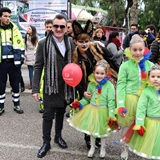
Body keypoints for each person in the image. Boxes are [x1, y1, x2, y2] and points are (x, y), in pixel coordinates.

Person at [71, 19, 119, 149]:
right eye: (81, 41)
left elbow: (111, 59)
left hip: (102, 82)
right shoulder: (74, 55)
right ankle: (88, 137)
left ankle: (98, 137)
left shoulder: (97, 48)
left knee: (101, 112)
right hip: (86, 86)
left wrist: (118, 74)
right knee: (88, 114)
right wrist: (82, 91)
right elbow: (74, 77)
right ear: (75, 41)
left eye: (86, 41)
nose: (84, 44)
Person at [32, 14, 75, 158]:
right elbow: (38, 67)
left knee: (61, 113)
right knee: (48, 115)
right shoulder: (43, 43)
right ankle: (46, 143)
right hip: (51, 86)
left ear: (66, 28)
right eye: (56, 26)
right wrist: (35, 89)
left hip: (65, 86)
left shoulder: (71, 42)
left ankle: (58, 136)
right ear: (52, 27)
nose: (58, 29)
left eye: (62, 26)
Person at [68, 60, 116, 158]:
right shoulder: (91, 84)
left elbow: (111, 102)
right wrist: (80, 103)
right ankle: (92, 147)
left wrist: (111, 115)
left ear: (106, 73)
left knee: (103, 132)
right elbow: (87, 98)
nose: (99, 75)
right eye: (97, 73)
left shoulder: (109, 86)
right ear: (94, 72)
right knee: (92, 131)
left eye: (102, 73)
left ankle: (103, 147)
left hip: (103, 112)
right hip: (92, 110)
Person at [116, 35, 153, 160]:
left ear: (144, 49)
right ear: (130, 50)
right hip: (129, 99)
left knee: (142, 125)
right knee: (127, 125)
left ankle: (140, 148)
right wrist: (120, 104)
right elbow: (120, 85)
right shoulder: (125, 66)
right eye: (135, 50)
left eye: (140, 49)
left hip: (145, 101)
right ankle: (124, 149)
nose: (138, 53)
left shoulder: (150, 65)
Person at [123, 64, 160, 159]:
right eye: (153, 76)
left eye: (158, 77)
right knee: (147, 147)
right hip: (150, 123)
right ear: (148, 77)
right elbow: (141, 109)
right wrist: (139, 123)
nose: (155, 79)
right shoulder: (146, 92)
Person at [0, 7, 25, 115]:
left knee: (15, 85)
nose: (8, 18)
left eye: (9, 16)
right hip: (1, 64)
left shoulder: (14, 29)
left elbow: (20, 45)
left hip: (14, 63)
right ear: (0, 17)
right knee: (1, 86)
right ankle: (1, 107)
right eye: (5, 16)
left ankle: (17, 105)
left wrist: (21, 59)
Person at [38, 19, 54, 113]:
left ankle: (53, 103)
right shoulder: (41, 41)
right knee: (43, 87)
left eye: (50, 27)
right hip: (45, 68)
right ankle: (42, 104)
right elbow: (38, 56)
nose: (49, 28)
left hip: (55, 67)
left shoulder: (58, 40)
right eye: (47, 27)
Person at [24, 25, 38, 90]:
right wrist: (25, 54)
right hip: (28, 55)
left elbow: (37, 46)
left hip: (34, 55)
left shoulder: (36, 37)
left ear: (32, 30)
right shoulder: (26, 37)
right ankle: (31, 83)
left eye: (29, 29)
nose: (28, 30)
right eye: (28, 29)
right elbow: (25, 46)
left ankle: (36, 84)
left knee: (36, 71)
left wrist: (36, 54)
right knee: (30, 71)